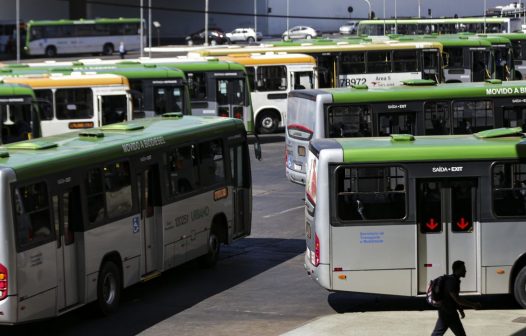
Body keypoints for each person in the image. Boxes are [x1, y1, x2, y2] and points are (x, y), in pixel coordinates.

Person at [431, 260, 482, 336]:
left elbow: (453, 299)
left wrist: (460, 309)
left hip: (445, 311)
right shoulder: (452, 281)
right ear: (457, 270)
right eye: (463, 269)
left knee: (438, 333)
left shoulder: (453, 280)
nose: (465, 271)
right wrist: (473, 305)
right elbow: (457, 299)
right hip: (448, 312)